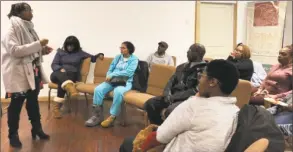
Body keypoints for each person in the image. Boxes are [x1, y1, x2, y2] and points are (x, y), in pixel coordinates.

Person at [120, 59, 240, 152]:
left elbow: (159, 137)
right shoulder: (236, 112)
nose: (199, 80)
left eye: (202, 76)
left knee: (128, 143)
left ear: (212, 82)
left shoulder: (194, 105)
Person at [1, 2, 51, 148]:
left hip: (32, 71)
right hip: (17, 73)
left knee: (33, 102)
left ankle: (37, 129)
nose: (32, 13)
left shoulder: (28, 28)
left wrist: (42, 50)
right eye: (29, 10)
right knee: (15, 106)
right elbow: (15, 51)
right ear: (20, 12)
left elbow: (30, 49)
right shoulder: (11, 30)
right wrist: (38, 45)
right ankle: (13, 135)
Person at [144, 43, 207, 125]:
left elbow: (195, 90)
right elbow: (170, 81)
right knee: (150, 103)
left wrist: (173, 97)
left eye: (190, 50)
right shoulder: (181, 67)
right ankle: (158, 128)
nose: (187, 52)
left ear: (197, 53)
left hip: (187, 99)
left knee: (170, 110)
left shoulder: (204, 70)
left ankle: (169, 133)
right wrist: (167, 93)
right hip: (172, 96)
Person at [85, 41, 138, 128]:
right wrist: (108, 75)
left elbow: (129, 72)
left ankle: (112, 117)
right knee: (98, 89)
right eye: (120, 47)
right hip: (113, 81)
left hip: (125, 82)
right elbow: (111, 68)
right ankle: (96, 116)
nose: (121, 49)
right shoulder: (117, 57)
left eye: (123, 48)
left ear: (129, 49)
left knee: (118, 91)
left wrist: (113, 74)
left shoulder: (134, 59)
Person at [50, 36, 104, 119]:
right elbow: (54, 64)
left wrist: (100, 54)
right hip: (57, 74)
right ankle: (70, 87)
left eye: (72, 45)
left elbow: (92, 58)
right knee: (62, 77)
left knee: (63, 82)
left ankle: (56, 108)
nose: (70, 47)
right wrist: (60, 68)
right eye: (68, 45)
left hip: (71, 75)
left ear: (76, 45)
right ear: (65, 45)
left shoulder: (79, 53)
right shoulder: (60, 52)